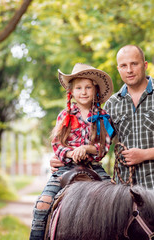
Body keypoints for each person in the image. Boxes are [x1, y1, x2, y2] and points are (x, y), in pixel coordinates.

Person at [50, 45, 154, 240]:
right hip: (125, 193)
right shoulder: (112, 104)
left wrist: (144, 154)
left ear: (144, 65)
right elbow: (99, 143)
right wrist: (65, 157)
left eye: (134, 64)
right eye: (123, 65)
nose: (129, 70)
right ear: (118, 69)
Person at [29, 63, 114, 240]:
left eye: (88, 87)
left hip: (93, 167)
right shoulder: (65, 115)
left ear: (95, 90)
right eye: (79, 88)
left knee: (116, 202)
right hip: (65, 168)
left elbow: (103, 147)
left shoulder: (103, 117)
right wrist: (70, 153)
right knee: (42, 204)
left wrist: (86, 148)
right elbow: (57, 144)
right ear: (72, 92)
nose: (83, 92)